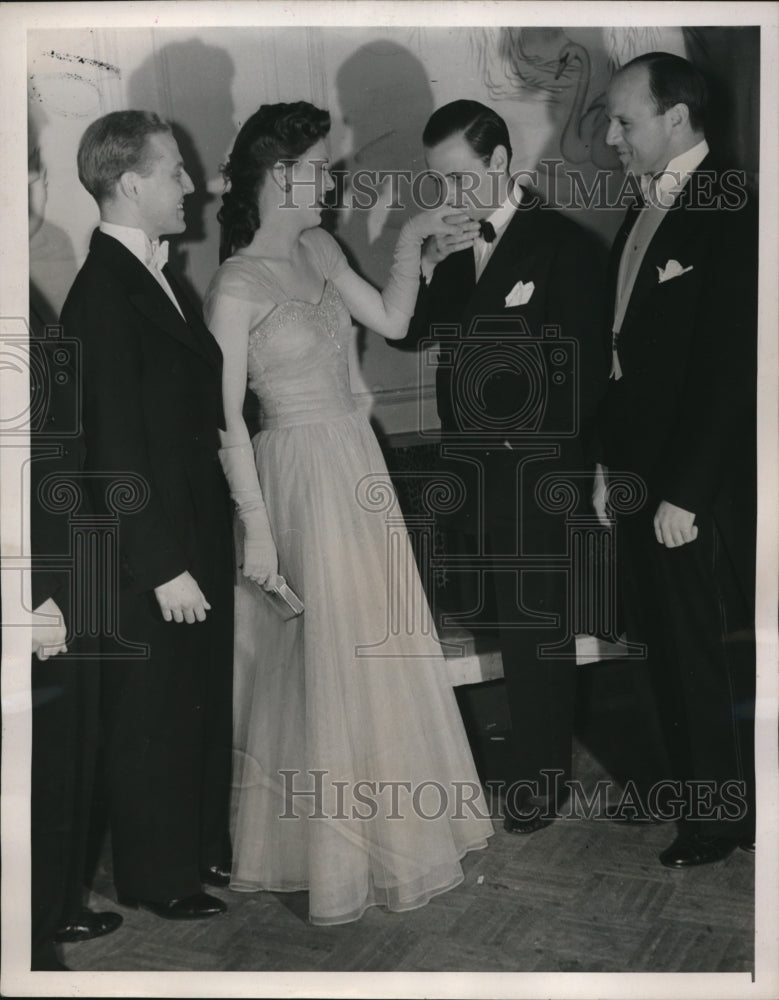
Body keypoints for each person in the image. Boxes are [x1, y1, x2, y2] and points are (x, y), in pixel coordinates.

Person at [204, 101, 493, 926]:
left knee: (375, 641)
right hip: (291, 472)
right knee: (315, 657)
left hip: (353, 458)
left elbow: (396, 322)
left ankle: (395, 828)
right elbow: (226, 419)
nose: (332, 180)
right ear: (276, 172)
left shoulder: (322, 248)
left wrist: (411, 242)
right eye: (321, 167)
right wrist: (257, 530)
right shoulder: (236, 284)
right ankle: (323, 854)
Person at [396, 100, 607, 834]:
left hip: (534, 474)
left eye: (458, 180)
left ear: (498, 163)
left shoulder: (563, 245)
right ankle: (520, 759)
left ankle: (539, 786)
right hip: (474, 475)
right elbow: (414, 335)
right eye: (438, 184)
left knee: (533, 630)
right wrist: (422, 261)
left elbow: (578, 377)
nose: (448, 198)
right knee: (506, 623)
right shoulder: (456, 248)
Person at [60, 110, 235, 918]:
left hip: (187, 531)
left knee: (186, 699)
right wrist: (161, 565)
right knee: (153, 715)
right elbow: (111, 453)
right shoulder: (103, 291)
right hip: (149, 551)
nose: (190, 184)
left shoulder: (154, 275)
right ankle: (160, 879)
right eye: (173, 170)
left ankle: (194, 854)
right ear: (130, 182)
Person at [596, 52, 757, 867]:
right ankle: (697, 800)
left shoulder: (731, 209)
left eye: (624, 121)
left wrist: (684, 492)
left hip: (691, 485)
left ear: (677, 119)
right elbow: (625, 355)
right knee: (664, 642)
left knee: (696, 651)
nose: (611, 138)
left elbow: (734, 366)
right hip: (640, 472)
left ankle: (719, 819)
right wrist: (608, 468)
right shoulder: (644, 207)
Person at [28, 143, 122, 970]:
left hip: (59, 567)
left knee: (60, 760)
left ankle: (51, 910)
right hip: (33, 581)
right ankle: (28, 939)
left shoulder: (21, 293)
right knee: (38, 767)